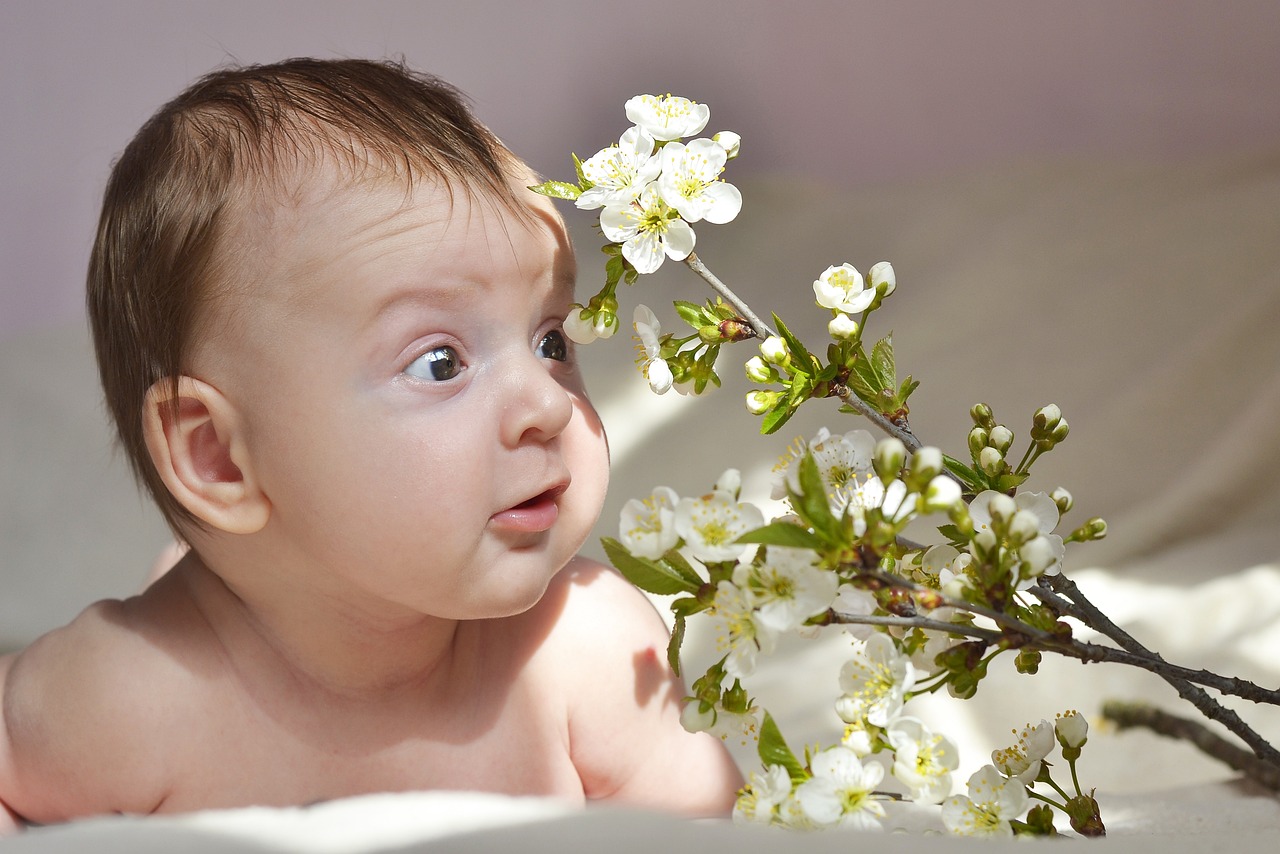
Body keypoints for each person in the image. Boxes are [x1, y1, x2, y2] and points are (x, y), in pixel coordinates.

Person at [0, 58, 742, 832]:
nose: (546, 404)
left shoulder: (588, 652)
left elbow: (715, 834)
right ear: (219, 458)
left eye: (550, 339)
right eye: (441, 363)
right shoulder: (128, 696)